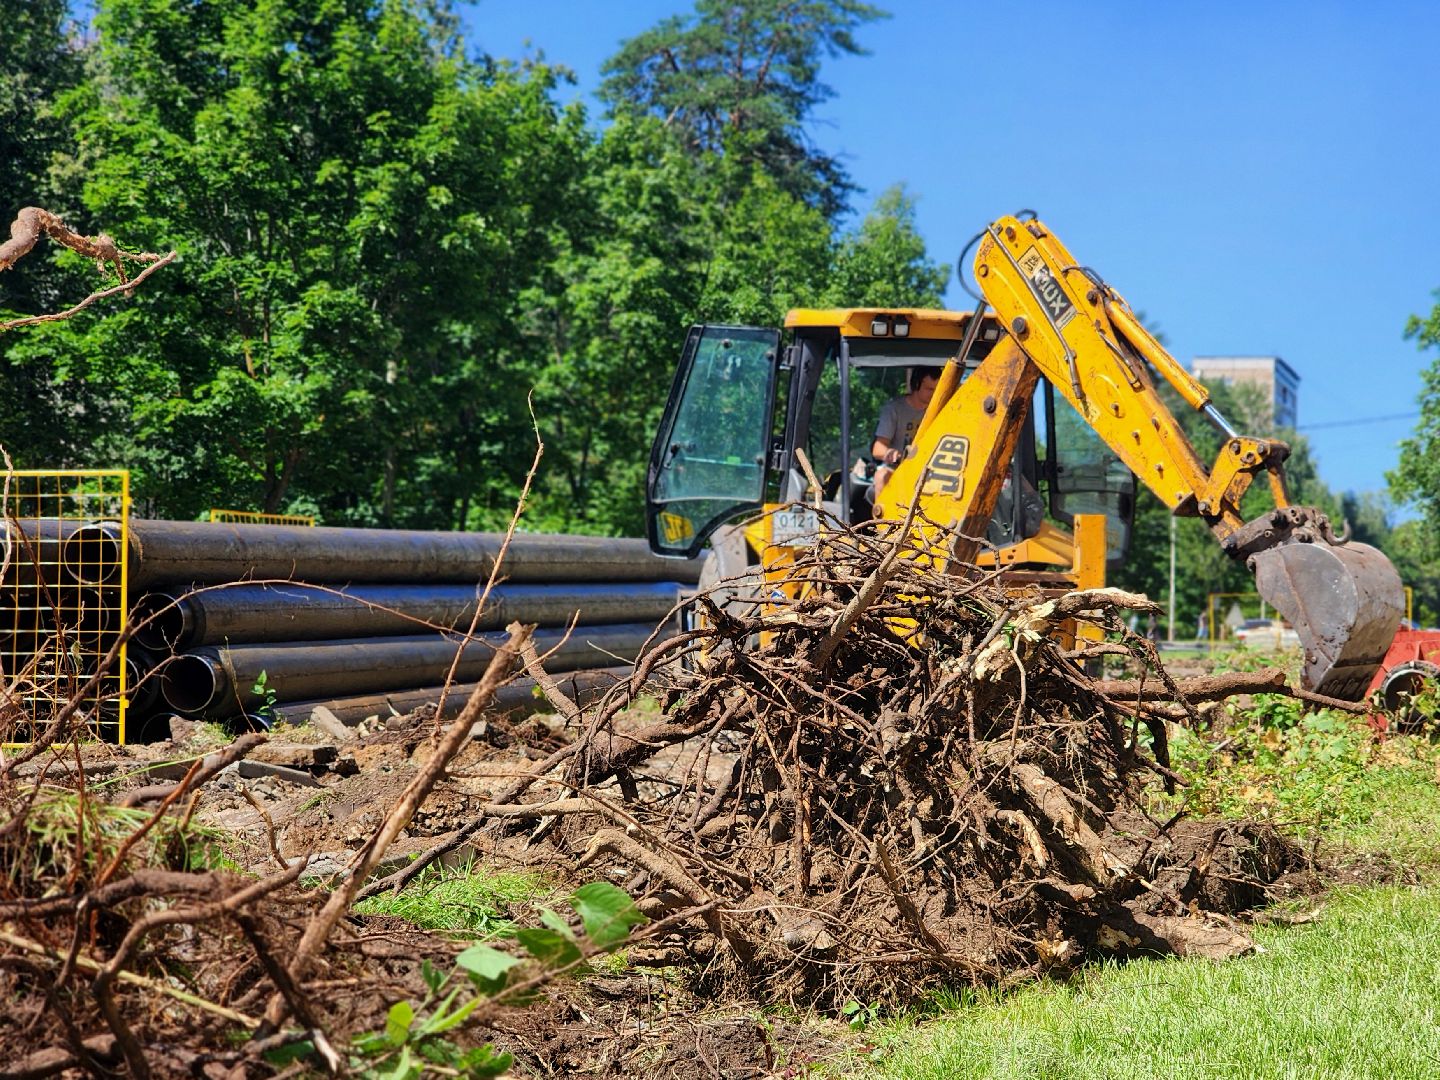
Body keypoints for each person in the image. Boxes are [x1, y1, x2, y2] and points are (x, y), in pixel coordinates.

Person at [871, 366, 942, 497]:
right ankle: (881, 517)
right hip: (897, 469)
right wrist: (891, 454)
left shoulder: (940, 412)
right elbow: (878, 448)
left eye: (937, 390)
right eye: (929, 389)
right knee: (882, 476)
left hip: (929, 472)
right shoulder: (894, 409)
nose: (934, 394)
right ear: (916, 385)